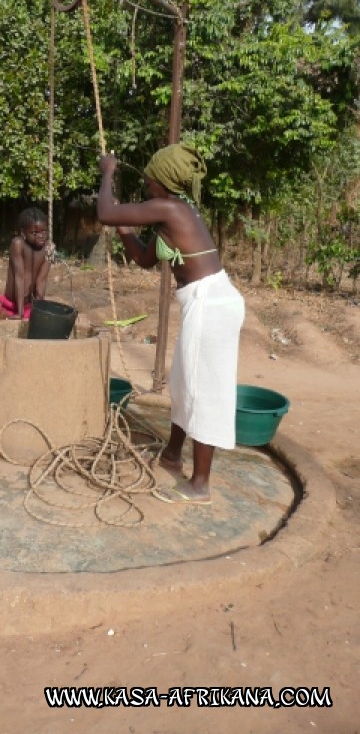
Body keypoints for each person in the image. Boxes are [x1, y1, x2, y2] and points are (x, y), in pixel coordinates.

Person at [97, 144, 245, 504]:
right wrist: (125, 231)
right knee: (184, 381)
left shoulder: (170, 207)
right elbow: (145, 258)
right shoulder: (171, 216)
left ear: (160, 180)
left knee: (204, 391)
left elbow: (104, 212)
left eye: (149, 177)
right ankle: (173, 456)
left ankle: (201, 484)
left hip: (211, 304)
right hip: (204, 303)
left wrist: (107, 172)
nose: (146, 182)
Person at [0, 207, 52, 320]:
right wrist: (20, 312)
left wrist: (39, 309)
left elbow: (41, 281)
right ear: (23, 233)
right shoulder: (18, 244)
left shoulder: (48, 247)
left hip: (30, 305)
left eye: (44, 231)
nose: (40, 236)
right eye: (34, 232)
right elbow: (19, 276)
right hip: (12, 304)